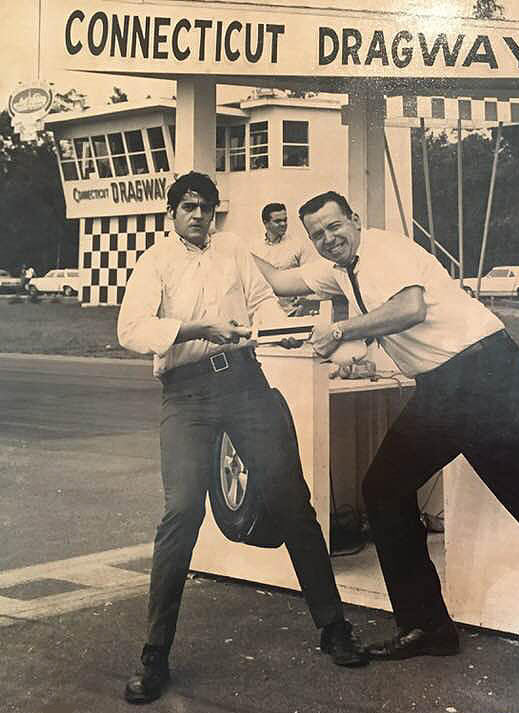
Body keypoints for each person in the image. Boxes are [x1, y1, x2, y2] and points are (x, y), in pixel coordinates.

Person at [253, 190, 519, 712]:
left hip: (482, 375)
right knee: (383, 488)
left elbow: (409, 307)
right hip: (443, 389)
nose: (328, 239)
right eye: (317, 234)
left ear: (355, 220)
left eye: (335, 227)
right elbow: (283, 280)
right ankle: (427, 625)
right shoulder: (339, 269)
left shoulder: (385, 248)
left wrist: (340, 330)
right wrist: (229, 249)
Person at [117, 174, 367, 704]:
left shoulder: (232, 249)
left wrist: (288, 327)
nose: (199, 215)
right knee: (181, 513)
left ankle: (334, 629)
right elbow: (132, 329)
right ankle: (154, 655)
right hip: (185, 393)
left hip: (245, 383)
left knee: (293, 501)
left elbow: (263, 305)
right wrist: (197, 328)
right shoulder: (155, 260)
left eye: (207, 207)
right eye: (189, 207)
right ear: (172, 212)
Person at [250, 202, 318, 315]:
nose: (283, 224)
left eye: (285, 220)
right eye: (277, 221)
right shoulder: (255, 249)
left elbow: (312, 275)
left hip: (296, 312)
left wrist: (303, 302)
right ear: (265, 223)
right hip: (267, 313)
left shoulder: (298, 245)